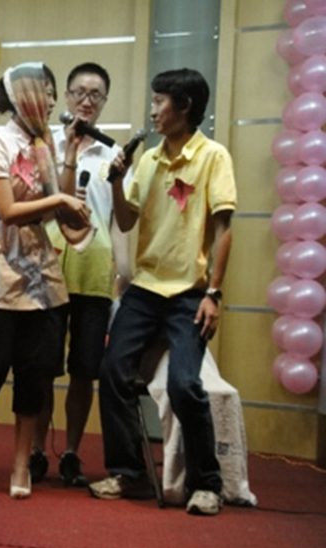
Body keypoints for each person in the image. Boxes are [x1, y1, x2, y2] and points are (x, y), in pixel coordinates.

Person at [88, 68, 236, 516]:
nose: (153, 111)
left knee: (184, 384)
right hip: (146, 290)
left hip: (191, 292)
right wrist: (117, 180)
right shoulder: (149, 160)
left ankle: (207, 483)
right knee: (112, 371)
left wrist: (214, 294)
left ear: (184, 106)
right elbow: (126, 220)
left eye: (160, 102)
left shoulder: (212, 156)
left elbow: (224, 229)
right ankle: (128, 472)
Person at [0, 62, 91, 499]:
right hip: (1, 263)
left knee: (35, 372)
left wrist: (70, 154)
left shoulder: (43, 142)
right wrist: (59, 199)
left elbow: (58, 205)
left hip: (40, 267)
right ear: (23, 95)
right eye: (45, 91)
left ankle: (20, 462)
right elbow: (9, 210)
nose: (51, 100)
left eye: (52, 92)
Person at [29, 62, 132, 487]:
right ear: (66, 97)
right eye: (80, 92)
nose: (87, 101)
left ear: (104, 101)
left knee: (85, 369)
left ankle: (71, 451)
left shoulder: (114, 155)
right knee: (41, 367)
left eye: (96, 95)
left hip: (95, 272)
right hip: (48, 267)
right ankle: (36, 450)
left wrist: (123, 271)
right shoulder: (44, 146)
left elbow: (118, 222)